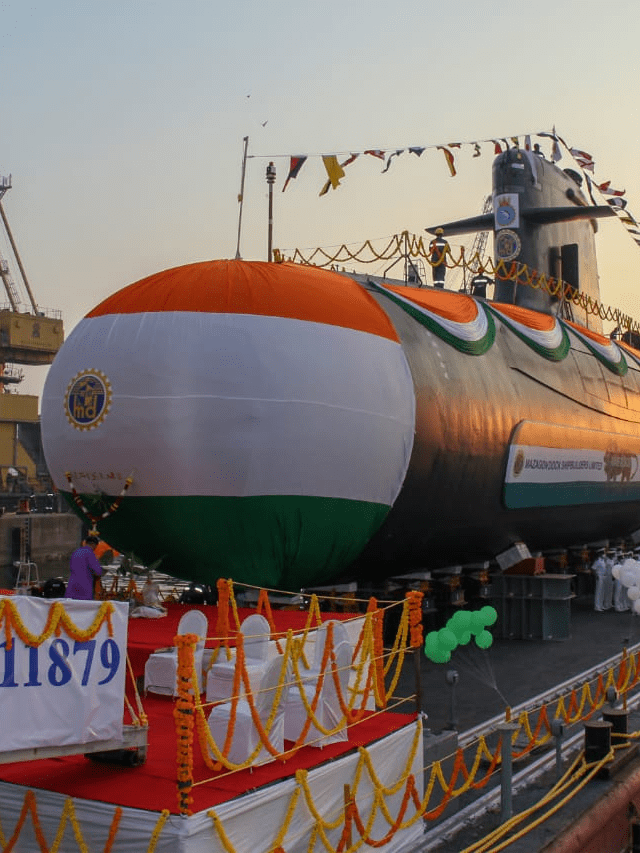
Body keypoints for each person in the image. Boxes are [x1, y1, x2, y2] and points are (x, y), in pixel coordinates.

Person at [67, 535, 103, 600]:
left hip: (72, 585)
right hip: (84, 587)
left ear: (85, 543)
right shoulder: (90, 553)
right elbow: (98, 571)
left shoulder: (75, 552)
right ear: (94, 545)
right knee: (85, 608)